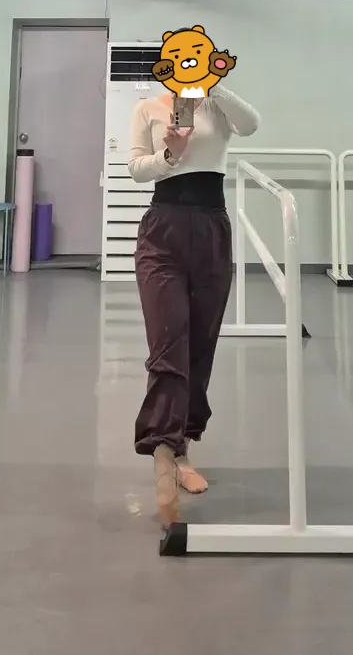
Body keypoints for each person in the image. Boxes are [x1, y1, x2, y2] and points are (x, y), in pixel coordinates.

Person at [127, 84, 260, 527]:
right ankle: (163, 451)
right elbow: (136, 169)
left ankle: (181, 446)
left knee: (200, 346)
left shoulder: (218, 108)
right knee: (168, 342)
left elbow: (251, 124)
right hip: (162, 231)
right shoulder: (148, 109)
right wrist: (171, 154)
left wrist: (215, 85)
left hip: (211, 230)